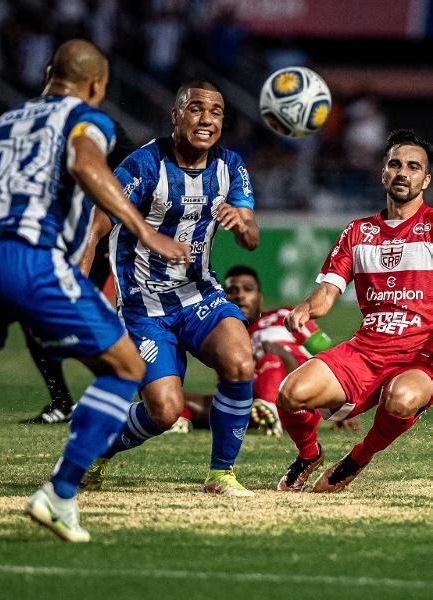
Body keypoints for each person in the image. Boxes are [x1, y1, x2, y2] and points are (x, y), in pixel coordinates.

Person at [0, 39, 190, 542]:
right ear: (97, 86)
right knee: (124, 367)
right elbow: (84, 164)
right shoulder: (86, 118)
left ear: (46, 75)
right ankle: (59, 493)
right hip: (28, 256)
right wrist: (145, 231)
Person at [79, 79, 260, 497]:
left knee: (240, 363)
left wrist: (241, 221)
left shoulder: (230, 166)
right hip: (144, 308)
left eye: (216, 112)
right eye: (196, 109)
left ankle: (221, 475)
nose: (207, 119)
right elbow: (95, 227)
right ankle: (98, 446)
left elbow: (251, 238)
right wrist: (83, 296)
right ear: (175, 115)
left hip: (201, 296)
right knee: (164, 411)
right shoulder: (143, 166)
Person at [277, 128, 433, 493]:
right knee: (290, 394)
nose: (402, 172)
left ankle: (358, 457)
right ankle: (309, 454)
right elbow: (328, 293)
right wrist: (307, 307)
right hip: (365, 352)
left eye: (413, 167)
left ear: (426, 179)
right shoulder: (358, 232)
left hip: (419, 357)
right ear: (383, 172)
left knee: (401, 398)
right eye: (395, 164)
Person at [22, 118, 136, 424]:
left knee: (63, 318)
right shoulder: (41, 129)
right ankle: (67, 401)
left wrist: (107, 234)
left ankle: (125, 388)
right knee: (38, 320)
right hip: (55, 242)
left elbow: (134, 172)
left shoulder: (100, 128)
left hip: (93, 244)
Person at [175, 265, 361, 438]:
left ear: (260, 297)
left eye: (247, 289)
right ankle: (179, 419)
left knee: (270, 355)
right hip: (251, 396)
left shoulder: (283, 316)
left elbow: (328, 354)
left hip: (296, 383)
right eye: (231, 291)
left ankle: (270, 409)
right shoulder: (225, 337)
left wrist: (341, 405)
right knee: (176, 397)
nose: (240, 296)